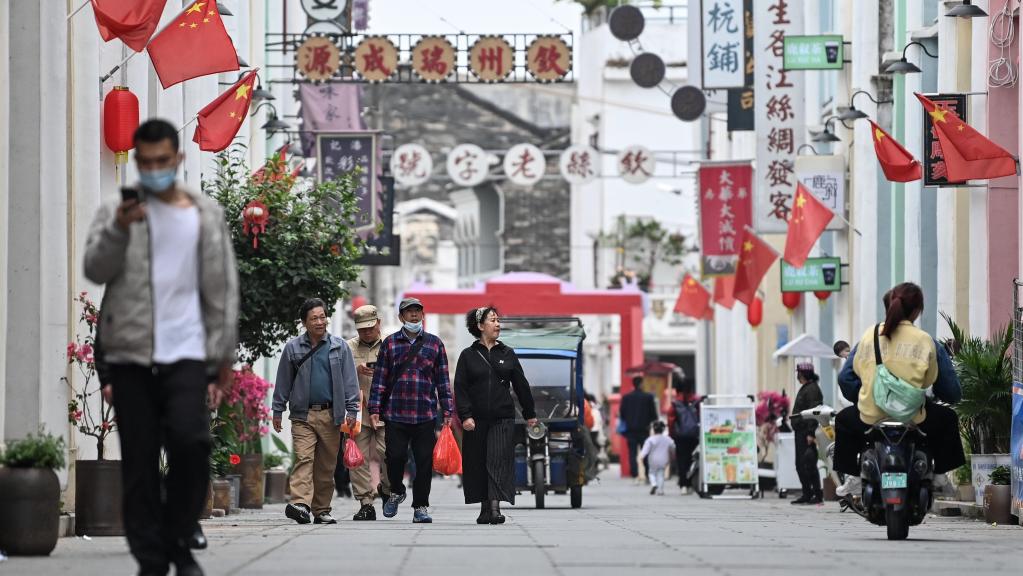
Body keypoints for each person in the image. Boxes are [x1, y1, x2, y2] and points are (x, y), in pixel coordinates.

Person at [83, 119, 239, 576]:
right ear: (137, 161)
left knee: (192, 445)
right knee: (140, 463)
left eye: (162, 161)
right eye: (146, 162)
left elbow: (222, 288)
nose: (154, 170)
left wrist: (223, 354)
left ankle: (178, 538)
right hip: (131, 356)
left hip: (187, 353)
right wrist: (118, 228)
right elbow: (95, 269)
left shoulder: (204, 214)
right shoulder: (117, 211)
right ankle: (152, 561)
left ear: (177, 158)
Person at [832, 283, 965, 484]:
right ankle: (939, 476)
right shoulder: (926, 340)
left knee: (843, 420)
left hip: (871, 417)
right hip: (914, 417)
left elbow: (845, 379)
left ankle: (853, 477)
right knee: (948, 418)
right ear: (917, 311)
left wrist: (865, 396)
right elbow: (947, 389)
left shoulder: (869, 336)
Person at [272, 298, 360, 525]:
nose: (320, 322)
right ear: (304, 322)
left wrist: (352, 410)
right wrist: (277, 410)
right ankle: (301, 504)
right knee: (304, 458)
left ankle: (321, 510)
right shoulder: (293, 348)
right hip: (303, 415)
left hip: (331, 415)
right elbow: (283, 381)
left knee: (326, 466)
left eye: (322, 317)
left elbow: (350, 381)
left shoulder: (339, 347)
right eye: (314, 318)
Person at [369, 297, 454, 524]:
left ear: (423, 315)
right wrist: (375, 408)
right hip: (395, 413)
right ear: (401, 317)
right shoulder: (390, 344)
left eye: (417, 311)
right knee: (394, 457)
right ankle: (396, 491)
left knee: (423, 462)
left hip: (425, 414)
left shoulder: (435, 344)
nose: (414, 315)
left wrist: (448, 411)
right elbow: (380, 379)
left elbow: (443, 381)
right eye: (409, 311)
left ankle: (420, 507)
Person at [453, 306, 538, 524]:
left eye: (498, 320)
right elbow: (460, 389)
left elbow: (521, 385)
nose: (498, 324)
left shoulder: (507, 353)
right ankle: (484, 509)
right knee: (478, 463)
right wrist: (465, 416)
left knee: (498, 460)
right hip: (475, 420)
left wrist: (530, 413)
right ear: (480, 326)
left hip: (502, 418)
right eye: (492, 320)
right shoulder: (468, 355)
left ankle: (495, 508)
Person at [346, 304, 391, 520]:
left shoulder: (391, 345)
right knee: (357, 459)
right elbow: (339, 376)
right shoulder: (348, 348)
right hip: (358, 411)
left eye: (370, 327)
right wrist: (355, 370)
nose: (366, 332)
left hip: (385, 410)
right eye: (362, 329)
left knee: (390, 454)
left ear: (378, 323)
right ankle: (366, 503)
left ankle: (387, 488)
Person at [789, 364, 824, 505]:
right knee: (801, 464)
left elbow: (814, 412)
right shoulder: (807, 388)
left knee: (808, 463)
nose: (798, 376)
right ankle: (807, 493)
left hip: (806, 432)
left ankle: (816, 494)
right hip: (800, 431)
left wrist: (810, 433)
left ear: (803, 374)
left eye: (799, 373)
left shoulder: (812, 389)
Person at [664, 371, 700, 494]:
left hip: (680, 436)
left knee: (681, 460)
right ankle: (690, 483)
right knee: (693, 458)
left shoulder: (675, 404)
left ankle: (683, 484)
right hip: (694, 435)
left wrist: (672, 434)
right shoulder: (697, 401)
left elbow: (670, 421)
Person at [619, 375, 658, 481]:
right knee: (645, 452)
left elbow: (622, 413)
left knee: (632, 453)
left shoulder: (626, 397)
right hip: (644, 429)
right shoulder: (648, 397)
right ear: (641, 384)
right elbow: (654, 415)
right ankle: (647, 474)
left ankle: (634, 474)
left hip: (630, 429)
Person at [640, 421, 675, 495]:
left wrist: (642, 456)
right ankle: (660, 490)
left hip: (653, 459)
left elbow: (645, 450)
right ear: (663, 429)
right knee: (661, 474)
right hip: (664, 459)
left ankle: (654, 484)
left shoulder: (650, 439)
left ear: (653, 429)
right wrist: (672, 455)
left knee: (651, 473)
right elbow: (673, 447)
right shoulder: (667, 439)